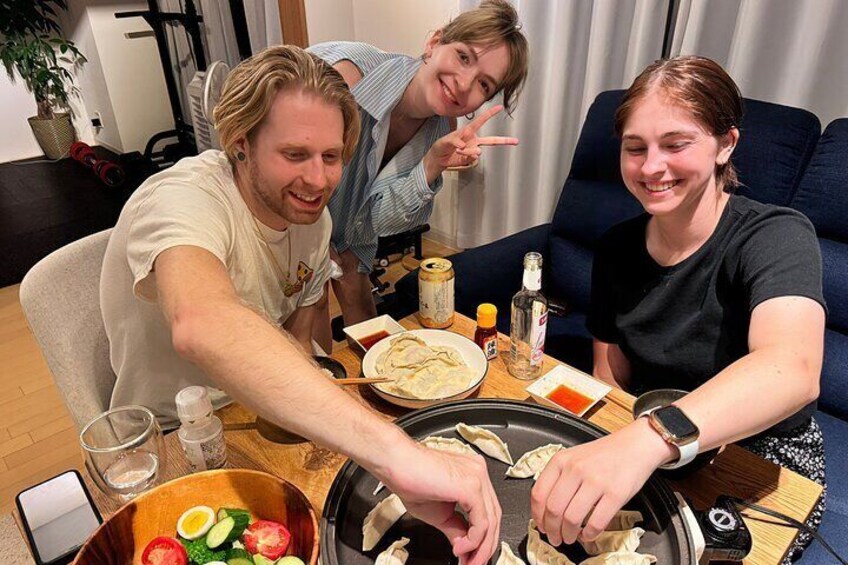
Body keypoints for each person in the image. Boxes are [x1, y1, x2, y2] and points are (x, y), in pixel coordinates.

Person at [101, 45, 501, 565]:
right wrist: (396, 454)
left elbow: (302, 330)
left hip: (267, 415)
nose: (318, 181)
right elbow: (202, 320)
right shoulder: (183, 198)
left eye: (332, 157)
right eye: (294, 155)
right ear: (241, 143)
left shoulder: (314, 222)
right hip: (176, 439)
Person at [530, 56, 826, 563]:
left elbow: (792, 369)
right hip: (651, 444)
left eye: (676, 144)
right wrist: (612, 450)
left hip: (760, 454)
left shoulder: (775, 234)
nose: (651, 167)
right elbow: (609, 373)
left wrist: (647, 441)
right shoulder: (617, 247)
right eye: (635, 148)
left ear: (725, 144)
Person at [308, 0, 529, 352]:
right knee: (312, 324)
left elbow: (377, 220)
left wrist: (430, 167)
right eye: (463, 57)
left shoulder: (443, 129)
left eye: (484, 85)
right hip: (287, 212)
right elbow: (291, 173)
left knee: (371, 331)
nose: (463, 83)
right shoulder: (347, 78)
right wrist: (318, 244)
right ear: (434, 43)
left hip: (347, 231)